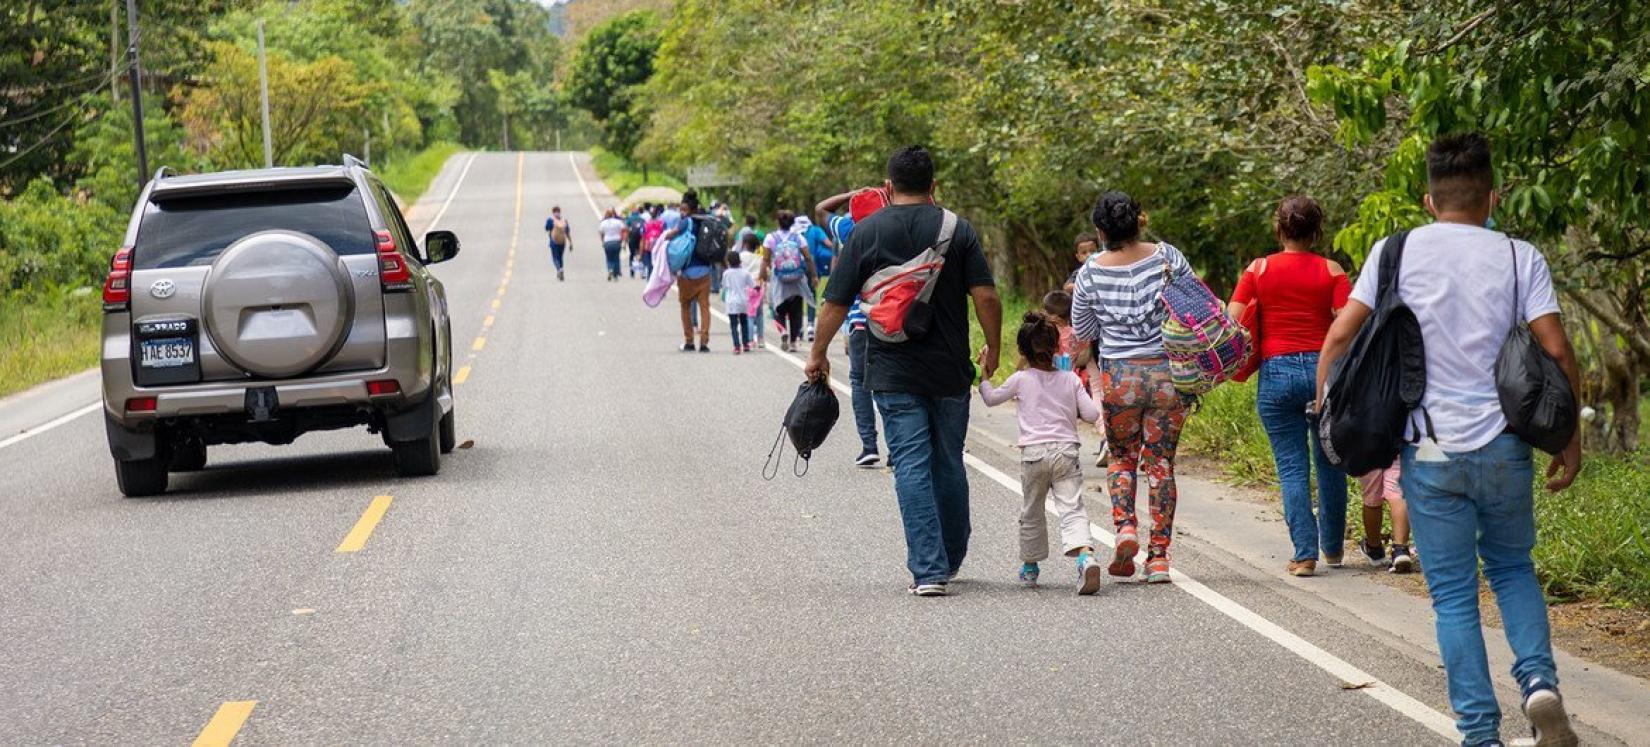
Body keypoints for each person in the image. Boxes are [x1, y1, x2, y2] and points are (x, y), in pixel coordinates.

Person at [1317, 132, 1581, 747]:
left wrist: (1331, 423)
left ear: (1430, 201)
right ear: (1493, 196)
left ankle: (1480, 734)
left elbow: (1338, 340)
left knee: (1455, 598)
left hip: (1428, 452)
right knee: (1513, 568)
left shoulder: (1394, 252)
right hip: (1506, 447)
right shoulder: (1520, 256)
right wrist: (1569, 440)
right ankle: (1539, 685)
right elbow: (1557, 350)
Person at [808, 145, 1003, 597]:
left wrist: (818, 353)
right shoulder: (959, 228)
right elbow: (987, 297)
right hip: (950, 367)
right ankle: (950, 559)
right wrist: (992, 347)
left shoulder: (865, 230)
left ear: (889, 187)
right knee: (948, 460)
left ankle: (929, 570)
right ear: (933, 186)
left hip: (892, 369)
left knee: (912, 463)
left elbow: (835, 302)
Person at [1070, 190, 1195, 585]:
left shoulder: (1090, 272)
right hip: (1167, 375)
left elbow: (1084, 332)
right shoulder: (1167, 257)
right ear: (1139, 219)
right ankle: (1158, 557)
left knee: (1123, 458)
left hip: (1120, 376)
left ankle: (1124, 529)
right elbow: (1196, 304)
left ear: (1100, 230)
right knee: (1160, 464)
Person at [1225, 195, 1352, 577]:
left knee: (1292, 467)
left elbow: (1232, 321)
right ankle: (1332, 548)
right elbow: (1348, 326)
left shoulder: (1258, 269)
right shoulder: (1332, 271)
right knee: (1331, 460)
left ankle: (1304, 554)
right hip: (1322, 372)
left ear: (1279, 229)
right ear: (1317, 231)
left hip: (1276, 372)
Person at [979, 311, 1105, 595]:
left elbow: (989, 398)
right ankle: (1085, 556)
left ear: (1023, 350)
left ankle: (1030, 566)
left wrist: (985, 372)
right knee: (1072, 507)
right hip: (1066, 453)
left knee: (1032, 510)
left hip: (1034, 454)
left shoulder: (1020, 379)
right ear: (1056, 349)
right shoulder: (1070, 380)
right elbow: (1091, 413)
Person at [816, 189, 880, 467]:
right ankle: (899, 450)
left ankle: (869, 445)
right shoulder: (894, 227)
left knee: (859, 382)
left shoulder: (848, 228)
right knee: (891, 385)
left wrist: (851, 193)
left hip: (858, 321)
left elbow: (821, 209)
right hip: (893, 321)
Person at [661, 193, 715, 352]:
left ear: (689, 209)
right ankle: (704, 342)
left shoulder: (686, 222)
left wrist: (666, 236)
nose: (681, 212)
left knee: (685, 306)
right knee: (705, 307)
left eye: (683, 209)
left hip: (687, 274)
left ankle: (689, 341)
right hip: (705, 271)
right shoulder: (706, 221)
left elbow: (670, 235)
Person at [761, 210, 818, 353]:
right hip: (797, 278)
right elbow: (808, 257)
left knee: (778, 308)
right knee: (796, 310)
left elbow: (766, 259)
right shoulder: (798, 237)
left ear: (777, 222)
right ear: (793, 223)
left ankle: (782, 332)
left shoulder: (770, 238)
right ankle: (793, 342)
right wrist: (814, 275)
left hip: (779, 279)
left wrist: (762, 275)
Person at [1357, 461, 1415, 573]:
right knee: (1397, 493)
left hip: (1368, 449)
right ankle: (1400, 549)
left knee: (1372, 497)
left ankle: (1374, 547)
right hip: (1396, 446)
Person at [721, 249, 755, 355]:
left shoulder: (726, 273)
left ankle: (736, 346)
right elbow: (752, 285)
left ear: (728, 261)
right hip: (743, 300)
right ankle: (745, 344)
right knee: (744, 323)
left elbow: (725, 286)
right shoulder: (745, 273)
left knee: (733, 325)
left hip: (731, 301)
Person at [545, 206, 572, 282]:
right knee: (560, 256)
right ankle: (561, 269)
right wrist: (570, 242)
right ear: (560, 211)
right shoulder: (564, 220)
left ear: (553, 212)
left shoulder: (550, 220)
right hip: (562, 241)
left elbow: (547, 228)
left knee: (555, 257)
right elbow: (567, 231)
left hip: (553, 241)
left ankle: (559, 269)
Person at [598, 208, 626, 282]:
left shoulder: (603, 223)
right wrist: (623, 240)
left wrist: (602, 241)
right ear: (613, 214)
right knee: (616, 258)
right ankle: (616, 274)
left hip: (607, 241)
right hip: (617, 241)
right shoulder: (618, 222)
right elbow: (624, 229)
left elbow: (601, 233)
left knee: (609, 258)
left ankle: (610, 269)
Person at [625, 205, 647, 279]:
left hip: (632, 239)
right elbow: (645, 229)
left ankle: (632, 272)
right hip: (640, 239)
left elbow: (626, 229)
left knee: (632, 255)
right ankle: (642, 272)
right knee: (641, 254)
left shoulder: (629, 219)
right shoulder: (642, 219)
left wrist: (626, 240)